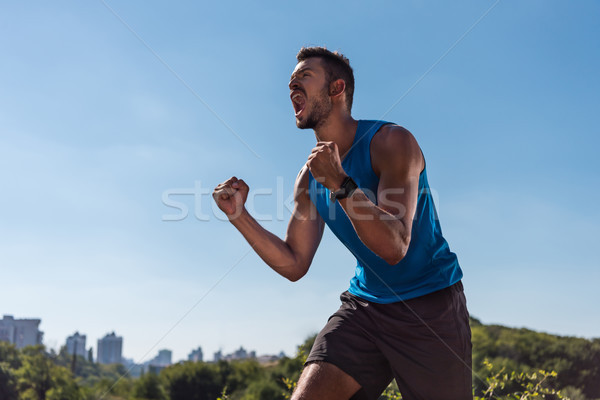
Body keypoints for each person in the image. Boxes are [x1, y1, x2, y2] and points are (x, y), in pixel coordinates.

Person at [212, 47, 472, 400]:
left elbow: (394, 247)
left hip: (429, 306)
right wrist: (239, 216)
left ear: (336, 89)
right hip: (365, 308)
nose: (292, 87)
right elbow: (294, 263)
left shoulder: (392, 142)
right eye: (290, 82)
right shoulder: (308, 178)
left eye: (303, 77)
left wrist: (341, 184)